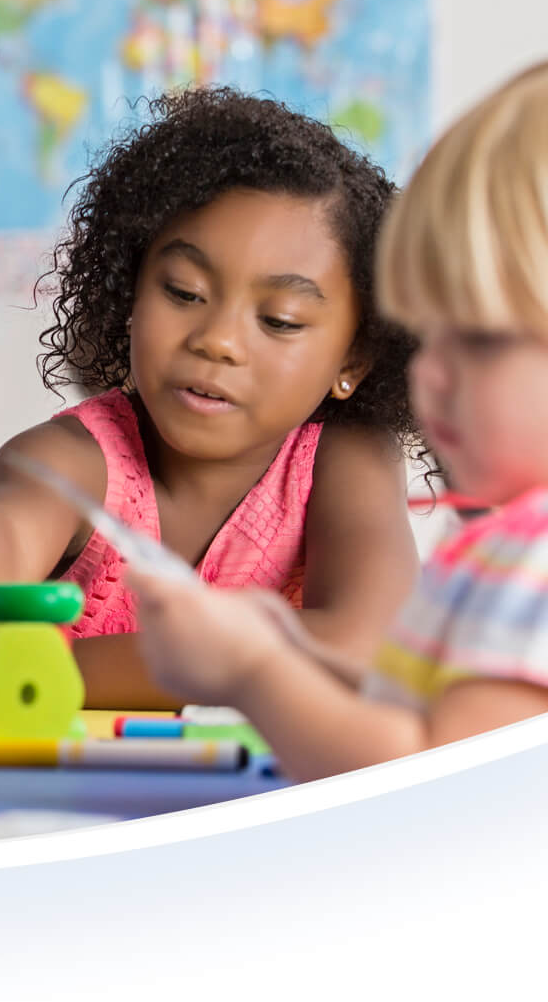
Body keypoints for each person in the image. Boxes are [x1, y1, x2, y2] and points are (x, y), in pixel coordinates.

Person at [0, 88, 426, 708]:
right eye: (184, 291)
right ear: (131, 294)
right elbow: (2, 531)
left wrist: (32, 669)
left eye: (279, 319)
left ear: (352, 359)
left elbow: (366, 647)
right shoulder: (74, 459)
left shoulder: (345, 457)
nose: (218, 341)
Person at [127, 64, 548, 777]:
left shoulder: (535, 561)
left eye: (477, 338)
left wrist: (253, 671)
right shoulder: (500, 545)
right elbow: (410, 707)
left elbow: (429, 776)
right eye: (428, 331)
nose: (430, 371)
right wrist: (291, 650)